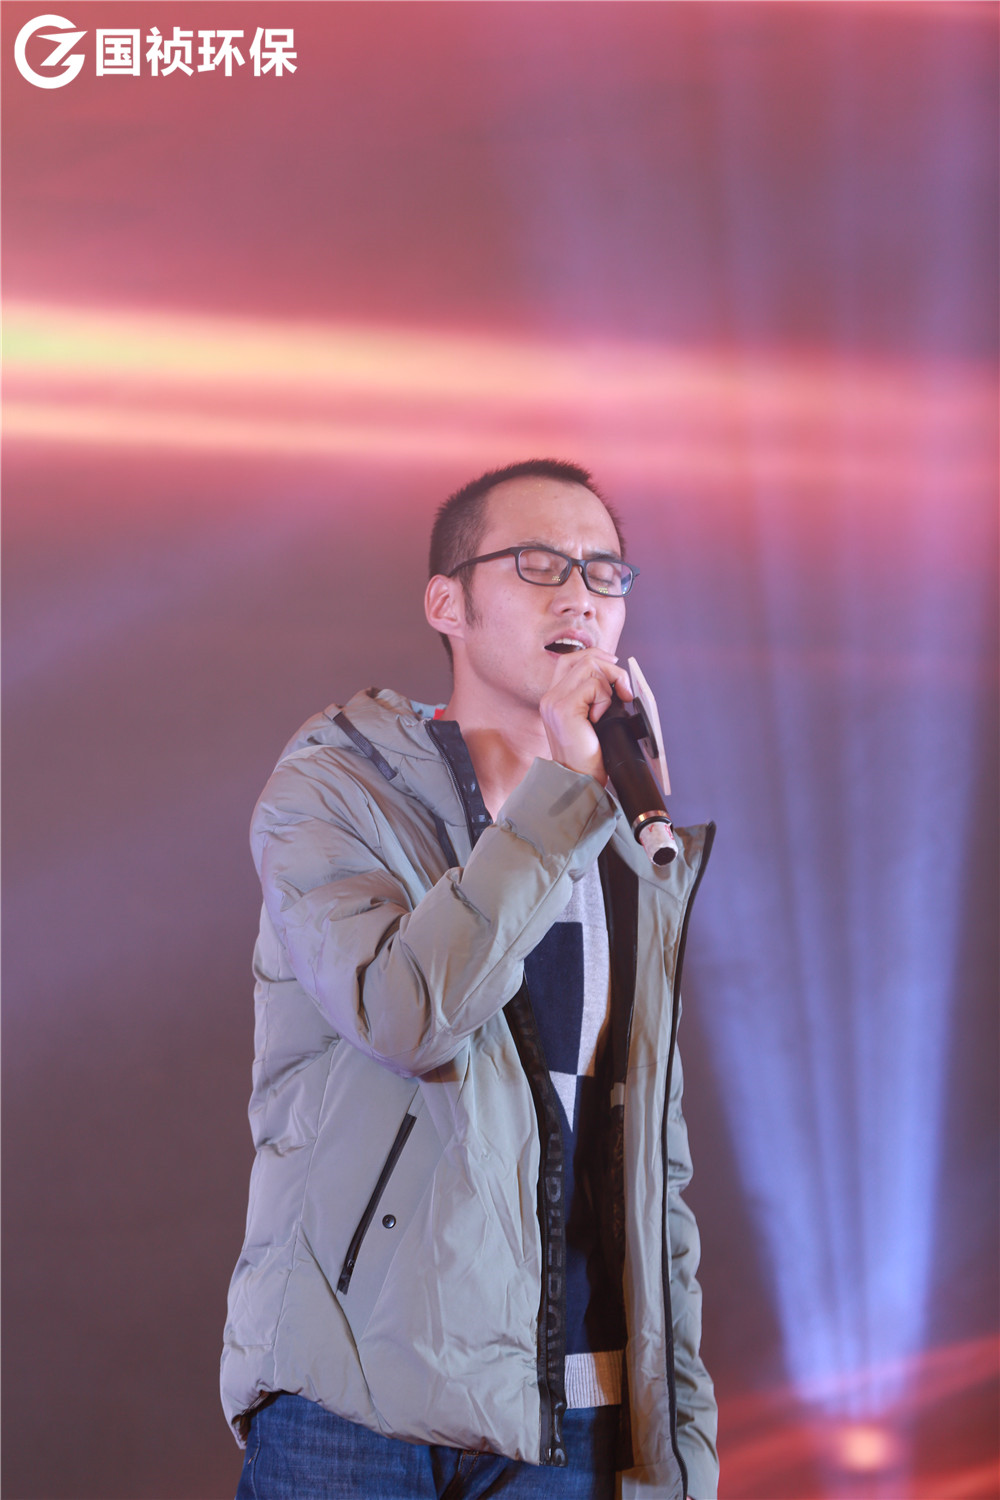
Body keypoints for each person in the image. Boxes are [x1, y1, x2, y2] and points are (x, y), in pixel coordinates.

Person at [221, 459, 718, 1500]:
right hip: (362, 1407)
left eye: (604, 571)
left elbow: (650, 1163)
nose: (579, 595)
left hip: (573, 1419)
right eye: (539, 564)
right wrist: (559, 795)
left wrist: (679, 1433)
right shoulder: (338, 789)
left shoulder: (626, 839)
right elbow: (406, 1017)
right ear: (447, 603)